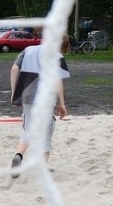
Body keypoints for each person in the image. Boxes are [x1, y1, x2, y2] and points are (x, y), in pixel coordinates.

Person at [9, 35, 71, 178]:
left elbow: (13, 70)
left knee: (28, 129)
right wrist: (61, 103)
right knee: (47, 131)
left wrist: (14, 94)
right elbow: (57, 81)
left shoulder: (28, 50)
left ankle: (18, 154)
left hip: (27, 96)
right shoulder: (56, 56)